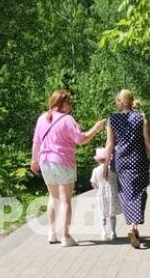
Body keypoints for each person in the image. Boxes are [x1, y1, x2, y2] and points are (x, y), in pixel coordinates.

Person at [31, 89, 104, 247]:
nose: (70, 105)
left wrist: (34, 161)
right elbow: (81, 139)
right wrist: (96, 129)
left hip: (45, 162)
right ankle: (66, 236)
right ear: (62, 104)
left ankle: (51, 233)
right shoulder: (67, 119)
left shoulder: (42, 118)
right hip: (63, 162)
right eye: (69, 102)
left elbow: (36, 142)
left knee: (53, 197)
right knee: (66, 201)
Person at [103, 89, 150, 249]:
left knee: (125, 193)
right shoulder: (141, 117)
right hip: (138, 161)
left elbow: (110, 144)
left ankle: (134, 228)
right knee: (139, 192)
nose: (116, 104)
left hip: (121, 162)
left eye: (117, 101)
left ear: (123, 102)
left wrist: (105, 165)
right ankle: (133, 227)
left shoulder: (112, 119)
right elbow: (149, 141)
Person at [90, 147, 122, 241]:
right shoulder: (112, 169)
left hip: (101, 193)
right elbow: (117, 179)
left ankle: (104, 232)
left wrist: (98, 188)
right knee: (112, 214)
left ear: (98, 160)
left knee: (102, 213)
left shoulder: (96, 170)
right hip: (112, 192)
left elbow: (93, 183)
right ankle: (113, 232)